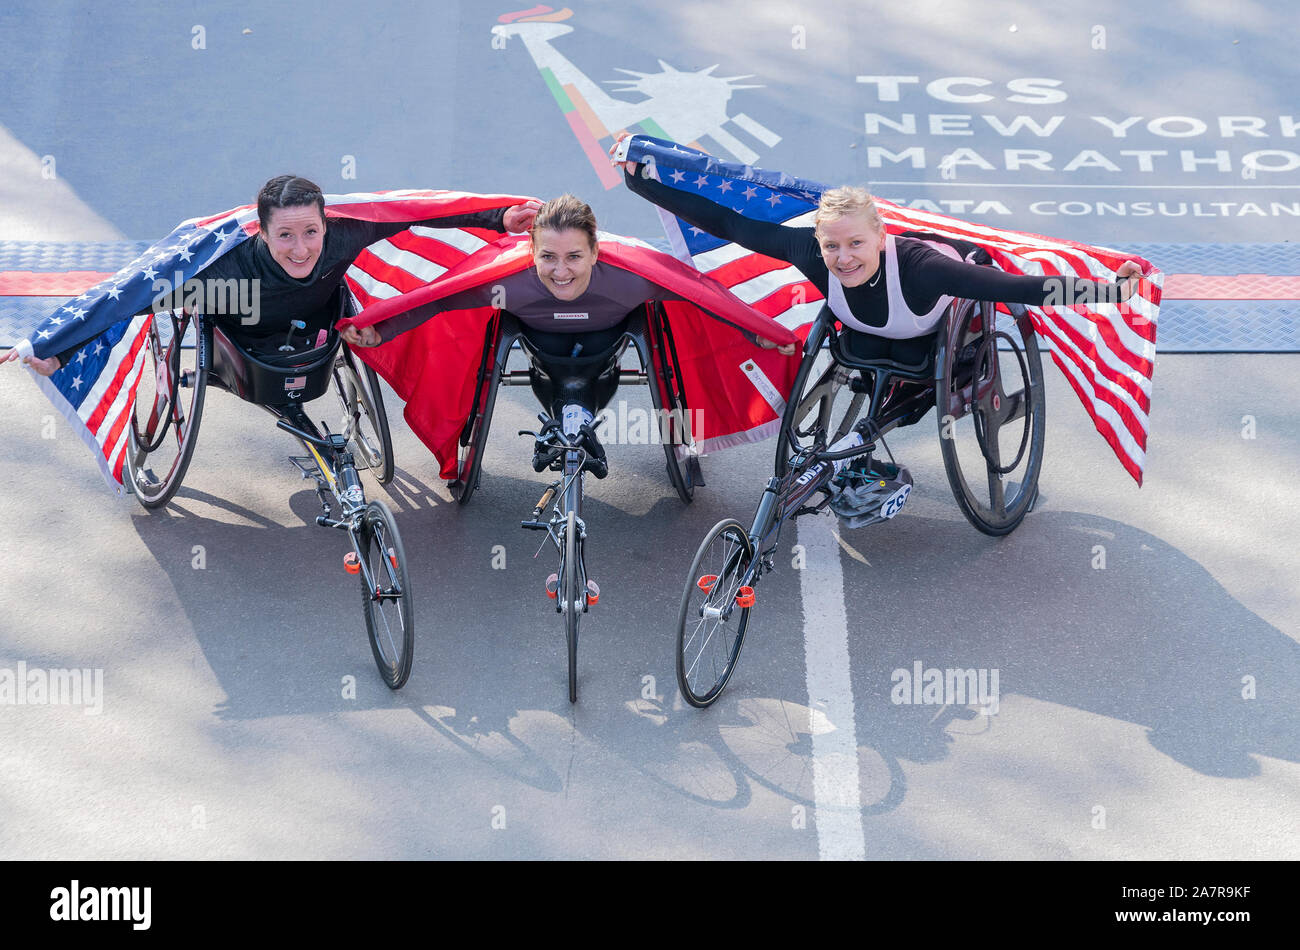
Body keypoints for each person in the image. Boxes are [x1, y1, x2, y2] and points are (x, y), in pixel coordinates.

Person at [341, 192, 794, 476]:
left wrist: (759, 334)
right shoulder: (506, 283)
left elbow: (702, 295)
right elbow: (439, 298)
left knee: (597, 369)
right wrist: (382, 331)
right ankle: (565, 419)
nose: (561, 272)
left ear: (597, 251)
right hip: (541, 347)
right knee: (555, 369)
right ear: (530, 251)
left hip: (608, 346)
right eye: (548, 258)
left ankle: (604, 425)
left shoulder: (633, 277)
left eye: (575, 257)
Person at [609, 135, 1144, 366]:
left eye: (856, 244)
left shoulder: (923, 270)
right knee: (867, 354)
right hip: (870, 334)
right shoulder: (808, 250)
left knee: (911, 366)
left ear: (881, 237)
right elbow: (726, 220)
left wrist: (1109, 290)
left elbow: (1020, 287)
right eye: (833, 246)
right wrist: (642, 185)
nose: (843, 258)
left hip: (929, 320)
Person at [3, 175, 541, 376]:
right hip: (246, 333)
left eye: (311, 232)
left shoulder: (347, 233)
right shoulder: (225, 269)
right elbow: (126, 297)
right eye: (285, 236)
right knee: (151, 302)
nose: (302, 248)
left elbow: (420, 213)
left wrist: (497, 218)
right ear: (260, 233)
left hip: (318, 322)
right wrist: (56, 346)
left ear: (326, 223)